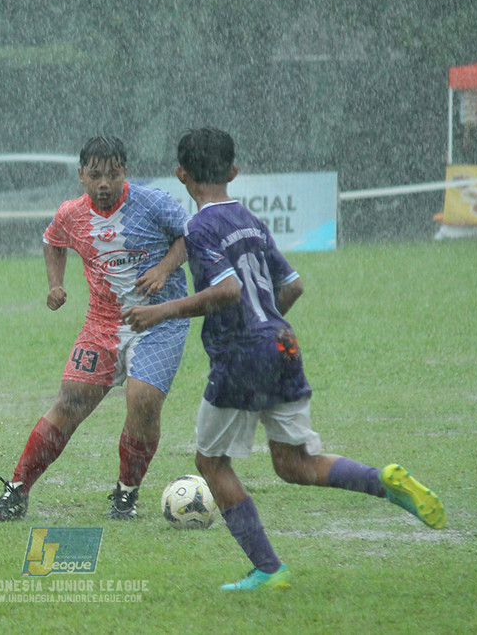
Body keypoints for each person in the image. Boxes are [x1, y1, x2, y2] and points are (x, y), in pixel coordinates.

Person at [121, 127, 445, 591]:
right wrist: (266, 325)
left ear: (181, 175)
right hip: (281, 344)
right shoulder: (251, 220)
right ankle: (383, 481)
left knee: (211, 463)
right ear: (234, 171)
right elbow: (292, 285)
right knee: (295, 464)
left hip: (241, 355)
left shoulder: (198, 227)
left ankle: (269, 569)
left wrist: (161, 311)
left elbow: (228, 290)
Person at [0, 136, 191, 521]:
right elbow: (52, 241)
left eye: (112, 174)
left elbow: (189, 235)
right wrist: (55, 284)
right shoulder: (71, 214)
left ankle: (126, 494)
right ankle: (17, 491)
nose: (104, 184)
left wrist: (164, 269)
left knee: (143, 400)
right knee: (69, 402)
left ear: (125, 171)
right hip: (103, 323)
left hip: (159, 321)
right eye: (95, 175)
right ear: (81, 175)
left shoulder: (153, 203)